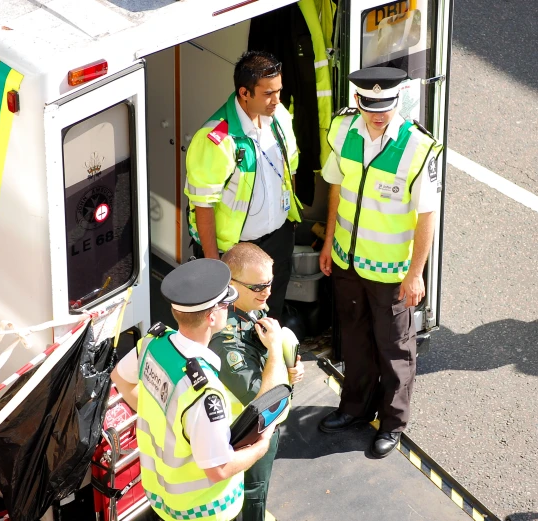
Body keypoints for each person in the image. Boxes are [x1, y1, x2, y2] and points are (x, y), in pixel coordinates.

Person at [317, 67, 444, 458]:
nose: (378, 114)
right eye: (370, 106)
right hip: (347, 261)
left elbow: (427, 215)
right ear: (357, 101)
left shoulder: (418, 147)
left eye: (386, 106)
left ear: (398, 100)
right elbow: (336, 185)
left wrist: (416, 273)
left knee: (394, 350)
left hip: (391, 271)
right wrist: (327, 242)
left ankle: (393, 424)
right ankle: (354, 409)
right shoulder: (342, 129)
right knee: (354, 342)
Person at [110, 259, 282, 521]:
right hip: (205, 511)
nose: (229, 309)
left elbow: (120, 379)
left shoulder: (152, 344)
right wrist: (262, 446)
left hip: (161, 497)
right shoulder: (204, 392)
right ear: (212, 316)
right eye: (226, 304)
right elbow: (219, 470)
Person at [185, 50, 302, 319]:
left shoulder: (280, 117)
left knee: (272, 315)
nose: (276, 100)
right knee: (235, 324)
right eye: (268, 93)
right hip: (235, 252)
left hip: (278, 241)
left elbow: (290, 168)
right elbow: (203, 204)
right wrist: (216, 267)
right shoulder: (217, 138)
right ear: (244, 93)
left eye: (279, 91)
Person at [207, 242, 305, 521]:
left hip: (251, 432)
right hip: (244, 436)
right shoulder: (225, 342)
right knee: (252, 492)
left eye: (270, 283)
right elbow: (264, 403)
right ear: (232, 284)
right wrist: (276, 351)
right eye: (259, 287)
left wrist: (288, 369)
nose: (268, 292)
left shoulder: (249, 306)